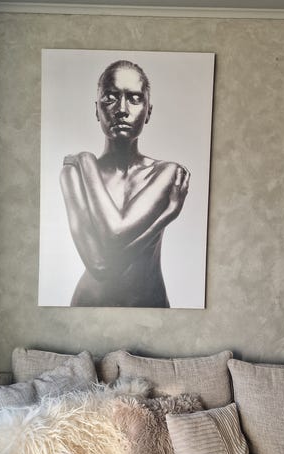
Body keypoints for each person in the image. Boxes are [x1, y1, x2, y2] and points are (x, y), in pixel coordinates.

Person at [60, 60, 190, 307]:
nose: (121, 109)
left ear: (148, 111)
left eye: (134, 98)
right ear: (97, 110)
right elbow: (100, 266)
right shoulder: (74, 173)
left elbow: (115, 235)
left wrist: (86, 161)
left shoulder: (166, 172)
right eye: (110, 97)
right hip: (88, 307)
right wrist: (168, 215)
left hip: (152, 308)